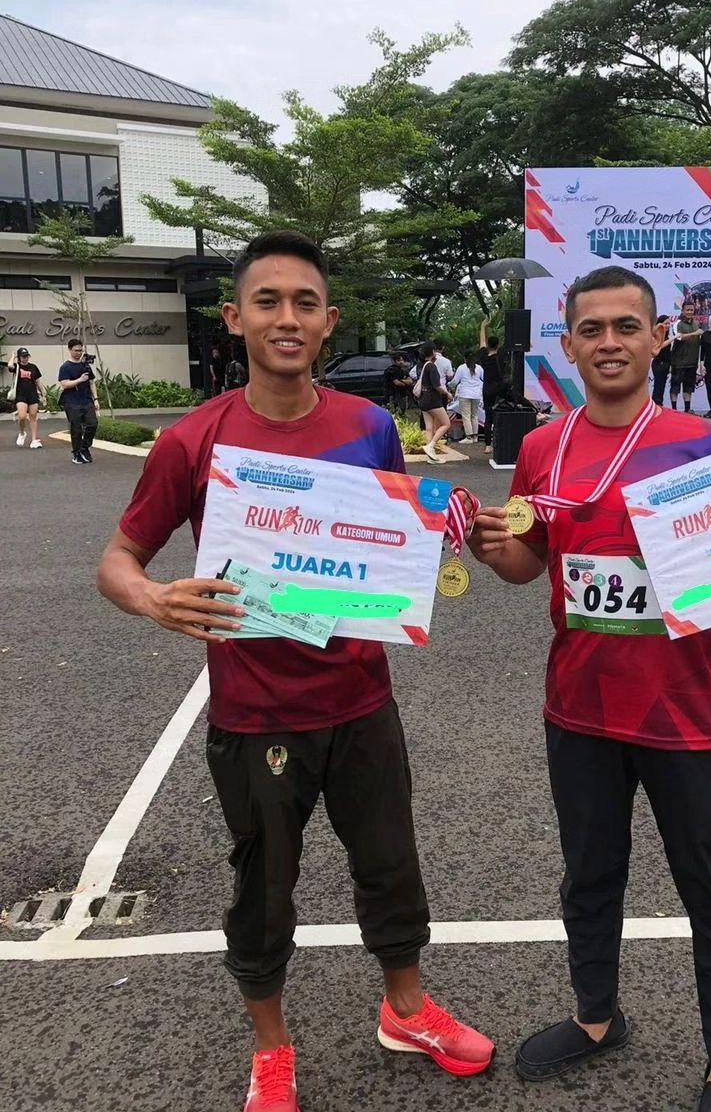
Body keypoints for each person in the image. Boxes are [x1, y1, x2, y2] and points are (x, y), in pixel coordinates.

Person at [96, 231, 493, 1112]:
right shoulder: (192, 441)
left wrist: (447, 526)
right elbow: (118, 561)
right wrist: (153, 598)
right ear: (235, 319)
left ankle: (407, 1010)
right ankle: (271, 1049)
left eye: (305, 303)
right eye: (268, 301)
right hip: (256, 713)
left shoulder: (369, 427)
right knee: (264, 891)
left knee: (391, 864)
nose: (287, 317)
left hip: (362, 701)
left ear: (328, 322)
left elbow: (395, 535)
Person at [467, 264, 711, 1112]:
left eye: (627, 326)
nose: (609, 342)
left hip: (683, 716)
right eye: (591, 329)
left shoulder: (707, 448)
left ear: (660, 338)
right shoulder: (542, 449)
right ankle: (596, 1017)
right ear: (567, 345)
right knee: (589, 878)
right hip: (578, 710)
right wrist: (491, 549)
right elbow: (530, 562)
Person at [58, 338, 99, 464]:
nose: (78, 353)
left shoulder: (85, 366)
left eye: (80, 350)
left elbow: (91, 382)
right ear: (70, 350)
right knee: (76, 428)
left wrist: (96, 399)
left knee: (92, 424)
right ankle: (77, 454)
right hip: (71, 402)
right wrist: (79, 380)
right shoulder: (65, 367)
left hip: (86, 400)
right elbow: (64, 384)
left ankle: (84, 447)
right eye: (76, 350)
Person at [415, 343, 452, 464]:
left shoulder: (422, 365)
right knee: (446, 423)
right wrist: (447, 393)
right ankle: (431, 446)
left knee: (429, 427)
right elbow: (437, 386)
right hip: (433, 400)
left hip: (423, 399)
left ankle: (431, 456)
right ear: (431, 352)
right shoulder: (431, 366)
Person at [7, 347, 45, 449]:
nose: (25, 358)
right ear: (19, 357)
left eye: (26, 356)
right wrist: (13, 357)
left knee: (33, 416)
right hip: (21, 394)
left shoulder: (33, 367)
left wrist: (43, 394)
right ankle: (22, 433)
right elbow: (10, 366)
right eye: (23, 356)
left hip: (32, 394)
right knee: (22, 416)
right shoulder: (17, 366)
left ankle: (34, 440)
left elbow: (38, 381)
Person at [479, 321, 507, 454]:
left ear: (488, 346)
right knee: (502, 415)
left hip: (487, 390)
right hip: (500, 390)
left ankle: (488, 445)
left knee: (488, 418)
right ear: (498, 345)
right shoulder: (501, 356)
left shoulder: (484, 358)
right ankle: (501, 442)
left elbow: (482, 343)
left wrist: (483, 327)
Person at [669, 300, 702, 413]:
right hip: (678, 362)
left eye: (691, 310)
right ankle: (674, 410)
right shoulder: (677, 323)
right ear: (682, 310)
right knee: (675, 387)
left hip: (692, 362)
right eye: (687, 310)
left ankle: (687, 410)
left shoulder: (696, 324)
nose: (689, 312)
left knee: (688, 388)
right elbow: (679, 337)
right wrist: (694, 334)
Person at [450, 352, 484, 443]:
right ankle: (475, 436)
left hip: (465, 394)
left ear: (464, 358)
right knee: (475, 415)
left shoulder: (461, 368)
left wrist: (449, 385)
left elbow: (455, 381)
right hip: (476, 395)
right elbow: (483, 379)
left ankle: (469, 437)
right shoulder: (479, 368)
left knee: (466, 416)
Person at [650, 314, 671, 406]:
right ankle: (656, 404)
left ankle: (659, 403)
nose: (667, 325)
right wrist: (673, 338)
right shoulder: (656, 335)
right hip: (659, 363)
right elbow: (660, 346)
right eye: (665, 323)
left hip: (666, 363)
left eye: (669, 324)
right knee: (658, 385)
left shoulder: (667, 335)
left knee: (661, 386)